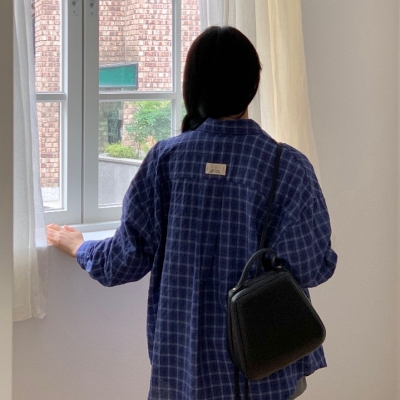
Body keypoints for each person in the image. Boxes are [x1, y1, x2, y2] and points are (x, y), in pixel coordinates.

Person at [47, 26, 337, 400]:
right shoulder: (288, 167)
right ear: (253, 85)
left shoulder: (165, 161)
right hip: (267, 370)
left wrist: (80, 247)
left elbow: (124, 261)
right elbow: (314, 267)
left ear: (192, 86)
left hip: (182, 369)